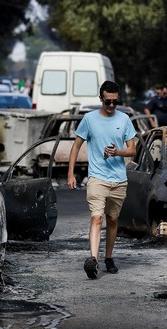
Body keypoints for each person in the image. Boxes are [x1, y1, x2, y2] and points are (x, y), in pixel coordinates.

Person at [67, 80, 138, 279]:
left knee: (113, 220)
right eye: (108, 102)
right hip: (97, 178)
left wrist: (118, 152)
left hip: (118, 179)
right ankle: (93, 259)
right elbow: (76, 147)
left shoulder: (124, 119)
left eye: (115, 102)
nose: (112, 106)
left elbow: (132, 150)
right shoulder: (89, 120)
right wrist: (71, 173)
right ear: (101, 99)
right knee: (96, 218)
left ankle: (108, 257)